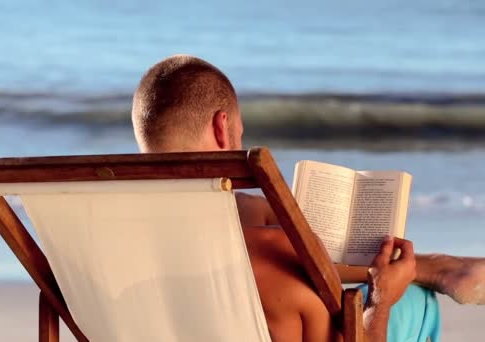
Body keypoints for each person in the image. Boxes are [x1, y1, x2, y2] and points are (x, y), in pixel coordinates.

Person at [131, 55, 485, 341]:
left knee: (254, 215)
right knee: (414, 298)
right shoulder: (274, 254)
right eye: (239, 133)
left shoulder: (101, 242)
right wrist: (381, 300)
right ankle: (431, 270)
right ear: (222, 127)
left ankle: (435, 266)